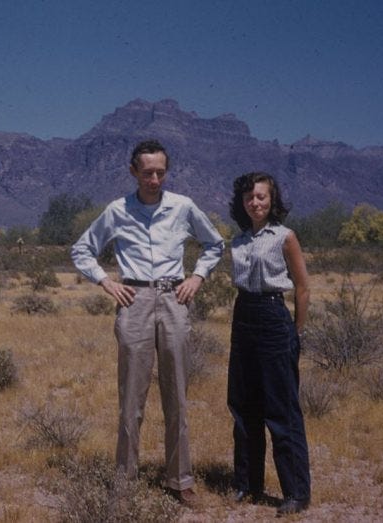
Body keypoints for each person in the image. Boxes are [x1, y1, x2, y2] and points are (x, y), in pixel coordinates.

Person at [71, 139, 224, 506]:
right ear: (133, 172)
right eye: (147, 173)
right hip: (134, 301)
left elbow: (215, 244)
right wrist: (107, 282)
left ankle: (180, 480)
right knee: (131, 399)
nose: (154, 180)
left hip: (174, 299)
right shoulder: (117, 210)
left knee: (177, 396)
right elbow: (82, 249)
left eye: (160, 172)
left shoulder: (183, 207)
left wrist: (197, 278)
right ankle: (124, 484)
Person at [226, 172, 311, 516]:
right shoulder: (238, 240)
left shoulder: (285, 237)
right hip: (243, 314)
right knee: (243, 405)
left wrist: (295, 333)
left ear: (272, 200)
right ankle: (248, 483)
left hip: (274, 316)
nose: (255, 203)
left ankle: (296, 492)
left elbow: (302, 287)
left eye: (261, 196)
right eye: (249, 197)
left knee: (281, 408)